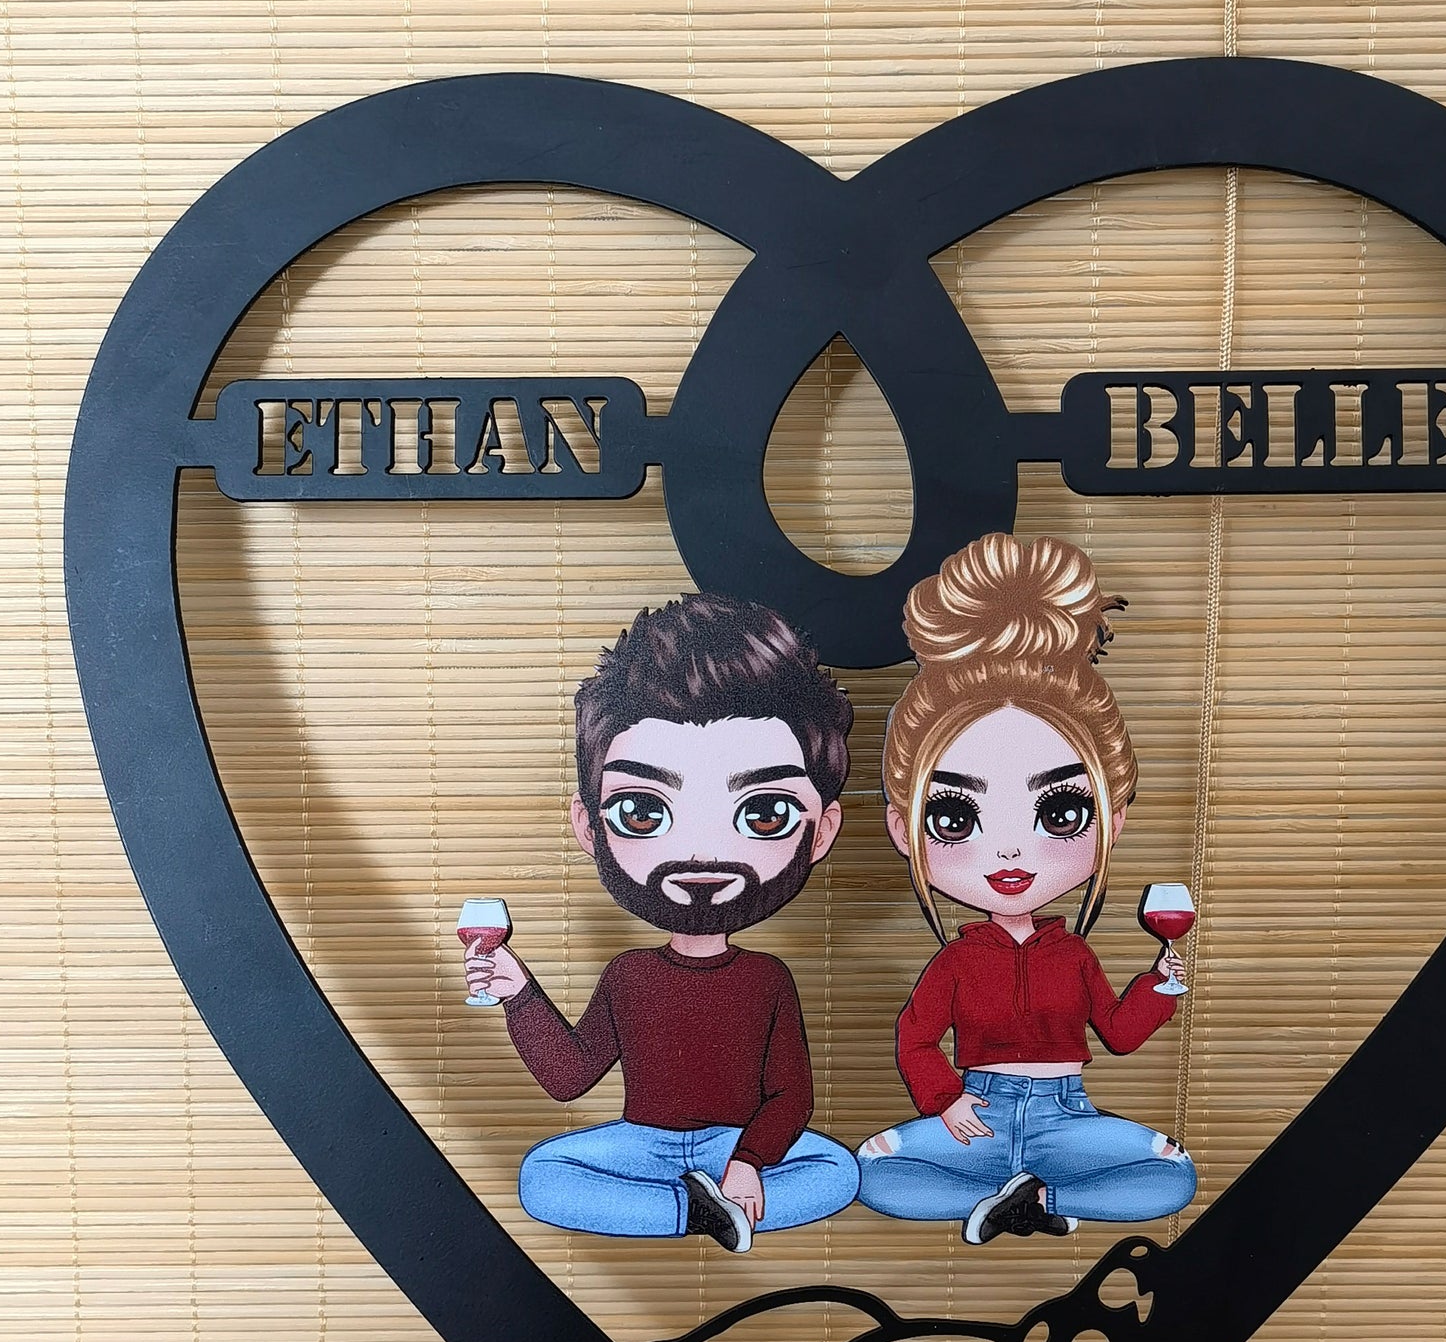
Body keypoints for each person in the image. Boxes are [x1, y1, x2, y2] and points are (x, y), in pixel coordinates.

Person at [463, 593, 859, 1253]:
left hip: (737, 1145)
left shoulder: (768, 978)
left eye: (764, 814)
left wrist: (749, 1161)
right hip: (640, 1145)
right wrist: (519, 993)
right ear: (589, 827)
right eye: (643, 813)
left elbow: (791, 1096)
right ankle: (696, 1211)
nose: (701, 853)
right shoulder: (628, 975)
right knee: (544, 1177)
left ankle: (696, 1205)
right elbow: (569, 1077)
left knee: (836, 1171)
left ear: (820, 831)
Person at [855, 533, 1197, 1244]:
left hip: (1068, 1116)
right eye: (955, 818)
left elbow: (1118, 1033)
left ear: (1113, 819)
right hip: (976, 1112)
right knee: (875, 1171)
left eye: (1060, 812)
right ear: (902, 827)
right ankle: (1019, 1199)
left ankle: (1030, 1200)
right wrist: (945, 1102)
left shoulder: (1074, 956)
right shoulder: (956, 961)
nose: (1009, 852)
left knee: (1172, 1174)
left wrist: (1160, 986)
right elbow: (915, 1037)